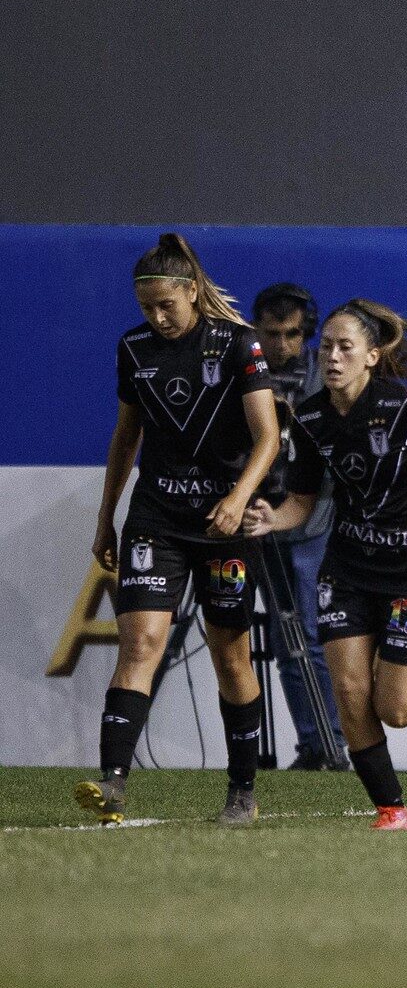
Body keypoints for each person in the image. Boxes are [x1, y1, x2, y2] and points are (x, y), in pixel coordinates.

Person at [244, 299, 407, 831]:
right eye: (325, 346)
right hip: (347, 570)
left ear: (372, 356)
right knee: (349, 692)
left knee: (395, 708)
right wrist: (268, 519)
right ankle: (392, 809)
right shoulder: (308, 417)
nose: (332, 356)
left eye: (345, 347)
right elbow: (301, 502)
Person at [75, 233, 281, 827]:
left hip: (223, 524)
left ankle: (242, 793)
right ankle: (112, 784)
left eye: (167, 304)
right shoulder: (134, 349)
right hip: (156, 518)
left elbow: (268, 437)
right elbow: (126, 438)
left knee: (231, 660)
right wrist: (105, 515)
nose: (158, 318)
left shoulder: (240, 345)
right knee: (140, 644)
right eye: (148, 308)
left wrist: (239, 497)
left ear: (192, 292)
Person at [251, 282, 348, 771]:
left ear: (306, 332)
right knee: (286, 640)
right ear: (257, 331)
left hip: (314, 525)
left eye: (292, 334)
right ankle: (313, 746)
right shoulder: (244, 376)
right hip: (260, 522)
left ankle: (334, 743)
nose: (282, 345)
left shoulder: (325, 380)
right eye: (272, 334)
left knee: (313, 636)